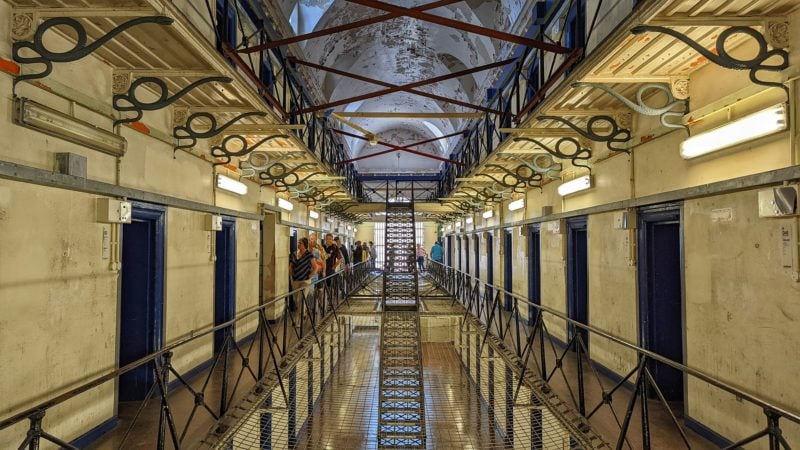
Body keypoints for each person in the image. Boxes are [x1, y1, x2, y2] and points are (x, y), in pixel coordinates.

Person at [288, 237, 314, 311]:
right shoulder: (294, 254)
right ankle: (303, 313)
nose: (298, 244)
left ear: (305, 244)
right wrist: (291, 275)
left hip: (305, 281)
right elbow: (291, 266)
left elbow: (315, 267)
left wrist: (310, 275)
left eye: (300, 243)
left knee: (301, 299)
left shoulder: (309, 255)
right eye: (298, 243)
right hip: (296, 280)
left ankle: (299, 320)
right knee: (296, 300)